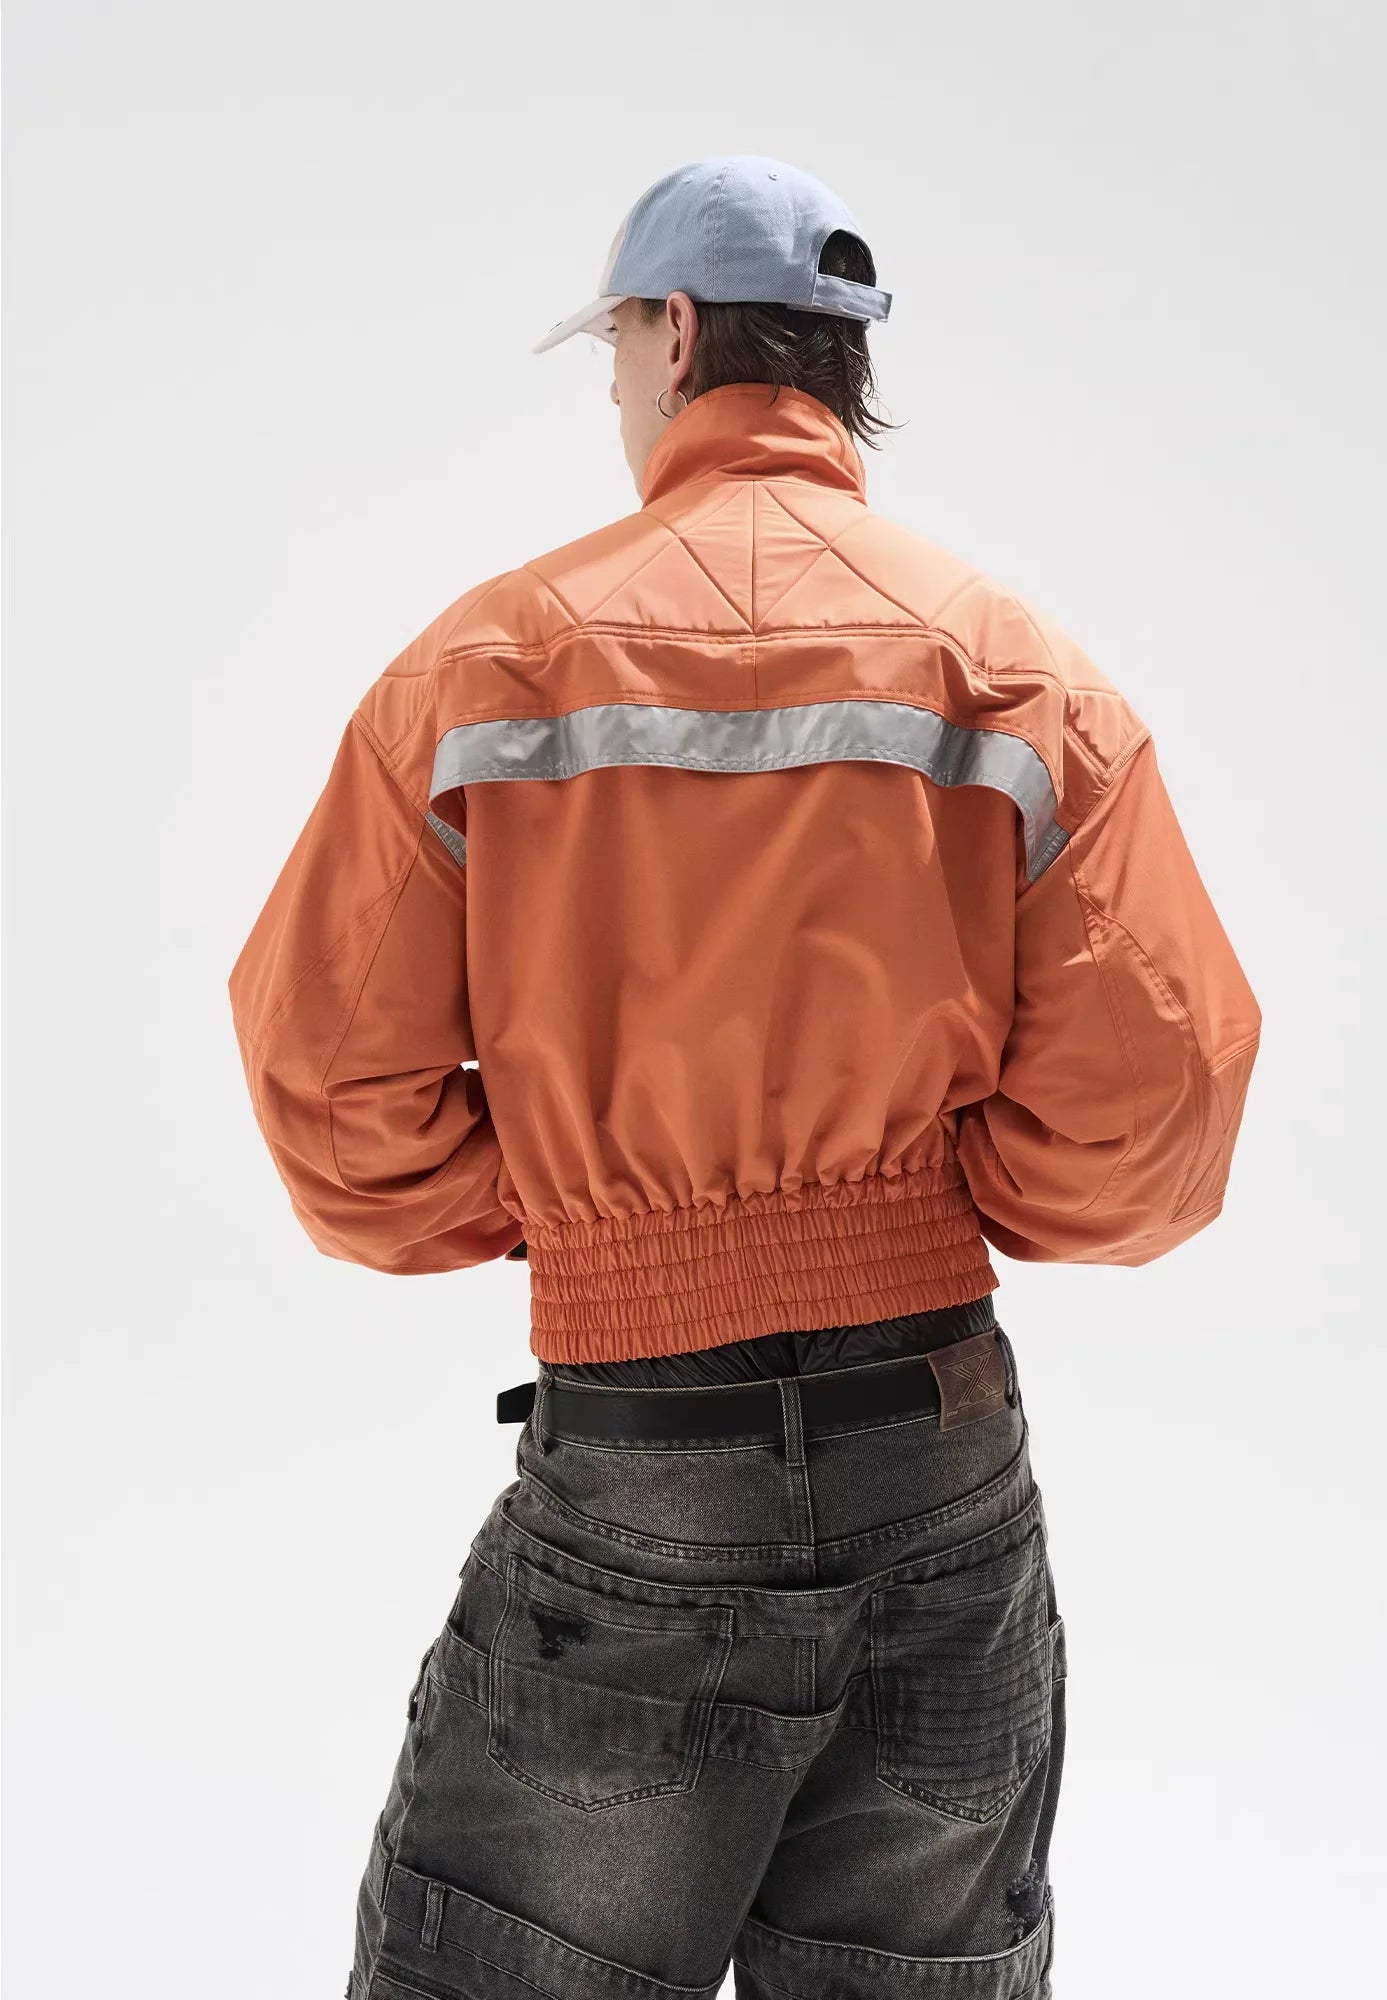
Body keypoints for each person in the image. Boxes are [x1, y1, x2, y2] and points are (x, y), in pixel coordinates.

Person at [226, 155, 1261, 2000]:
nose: (618, 392)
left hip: (647, 1462)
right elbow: (1159, 1106)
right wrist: (915, 1207)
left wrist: (586, 1215)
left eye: (618, 349)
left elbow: (329, 1094)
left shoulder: (486, 669)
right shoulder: (1014, 673)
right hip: (938, 1453)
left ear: (679, 335)